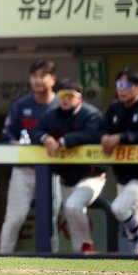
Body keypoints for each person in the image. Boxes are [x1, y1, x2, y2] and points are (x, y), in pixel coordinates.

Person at [35, 78, 105, 254]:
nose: (64, 99)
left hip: (91, 176)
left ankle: (87, 245)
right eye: (61, 95)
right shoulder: (52, 114)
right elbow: (35, 130)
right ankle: (80, 261)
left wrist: (63, 142)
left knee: (73, 206)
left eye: (69, 96)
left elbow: (91, 135)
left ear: (79, 98)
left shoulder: (91, 114)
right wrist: (45, 138)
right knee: (72, 221)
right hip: (66, 178)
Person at [0, 59, 61, 253]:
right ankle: (1, 259)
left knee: (50, 219)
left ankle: (53, 264)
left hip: (53, 170)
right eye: (34, 76)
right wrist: (15, 142)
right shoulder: (21, 105)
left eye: (43, 75)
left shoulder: (61, 103)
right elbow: (7, 134)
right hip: (24, 169)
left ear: (53, 79)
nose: (38, 80)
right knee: (14, 218)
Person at [102, 68, 138, 255]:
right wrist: (104, 136)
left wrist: (121, 137)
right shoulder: (114, 108)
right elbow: (102, 128)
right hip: (123, 175)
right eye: (119, 85)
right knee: (134, 220)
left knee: (119, 208)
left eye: (126, 85)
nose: (121, 89)